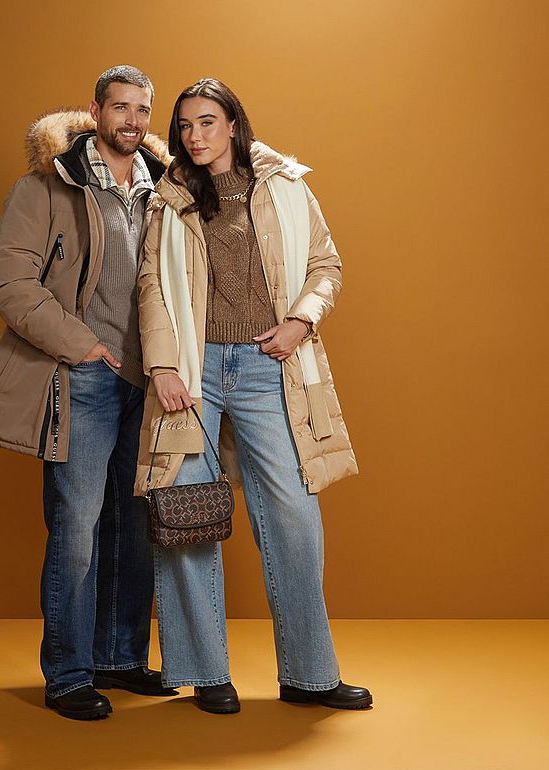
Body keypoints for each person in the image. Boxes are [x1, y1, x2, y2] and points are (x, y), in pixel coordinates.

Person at [135, 78, 372, 714]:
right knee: (187, 511)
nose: (194, 136)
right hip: (194, 367)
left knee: (293, 516)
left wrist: (301, 320)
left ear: (235, 124)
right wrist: (161, 366)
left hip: (271, 365)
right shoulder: (170, 197)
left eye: (207, 122)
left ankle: (310, 676)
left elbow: (327, 264)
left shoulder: (286, 185)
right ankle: (204, 671)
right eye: (184, 125)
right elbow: (153, 286)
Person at [0, 65, 176, 720]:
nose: (134, 122)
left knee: (134, 529)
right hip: (82, 376)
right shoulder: (46, 187)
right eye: (121, 108)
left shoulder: (162, 190)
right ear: (96, 111)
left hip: (146, 379)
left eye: (143, 110)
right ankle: (68, 675)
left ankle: (121, 657)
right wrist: (81, 344)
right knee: (77, 532)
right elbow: (9, 282)